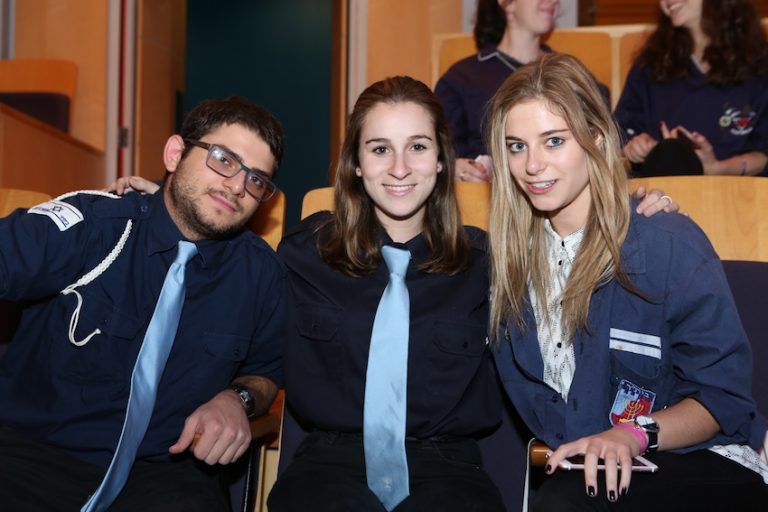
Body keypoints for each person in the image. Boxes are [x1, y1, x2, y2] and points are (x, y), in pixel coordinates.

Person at [486, 53, 768, 511]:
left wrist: (634, 434)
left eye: (554, 141)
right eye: (516, 146)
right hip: (580, 475)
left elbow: (722, 400)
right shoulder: (503, 260)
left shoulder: (665, 241)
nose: (533, 165)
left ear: (595, 138)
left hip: (701, 460)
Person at [0, 96, 287, 511]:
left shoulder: (260, 275)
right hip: (34, 458)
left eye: (257, 179)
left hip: (164, 474)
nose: (238, 186)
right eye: (223, 159)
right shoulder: (95, 227)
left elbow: (266, 371)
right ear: (175, 153)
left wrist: (236, 400)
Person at [266, 75, 506, 512]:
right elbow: (230, 278)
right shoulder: (303, 253)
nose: (399, 167)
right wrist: (172, 216)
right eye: (380, 149)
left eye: (417, 146)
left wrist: (640, 214)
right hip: (329, 466)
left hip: (447, 469)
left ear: (440, 160)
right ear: (356, 163)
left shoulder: (487, 262)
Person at [614, 0, 768, 177]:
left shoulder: (759, 67)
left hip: (738, 196)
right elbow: (617, 143)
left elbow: (763, 154)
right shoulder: (650, 65)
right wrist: (635, 149)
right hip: (658, 198)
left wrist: (716, 168)